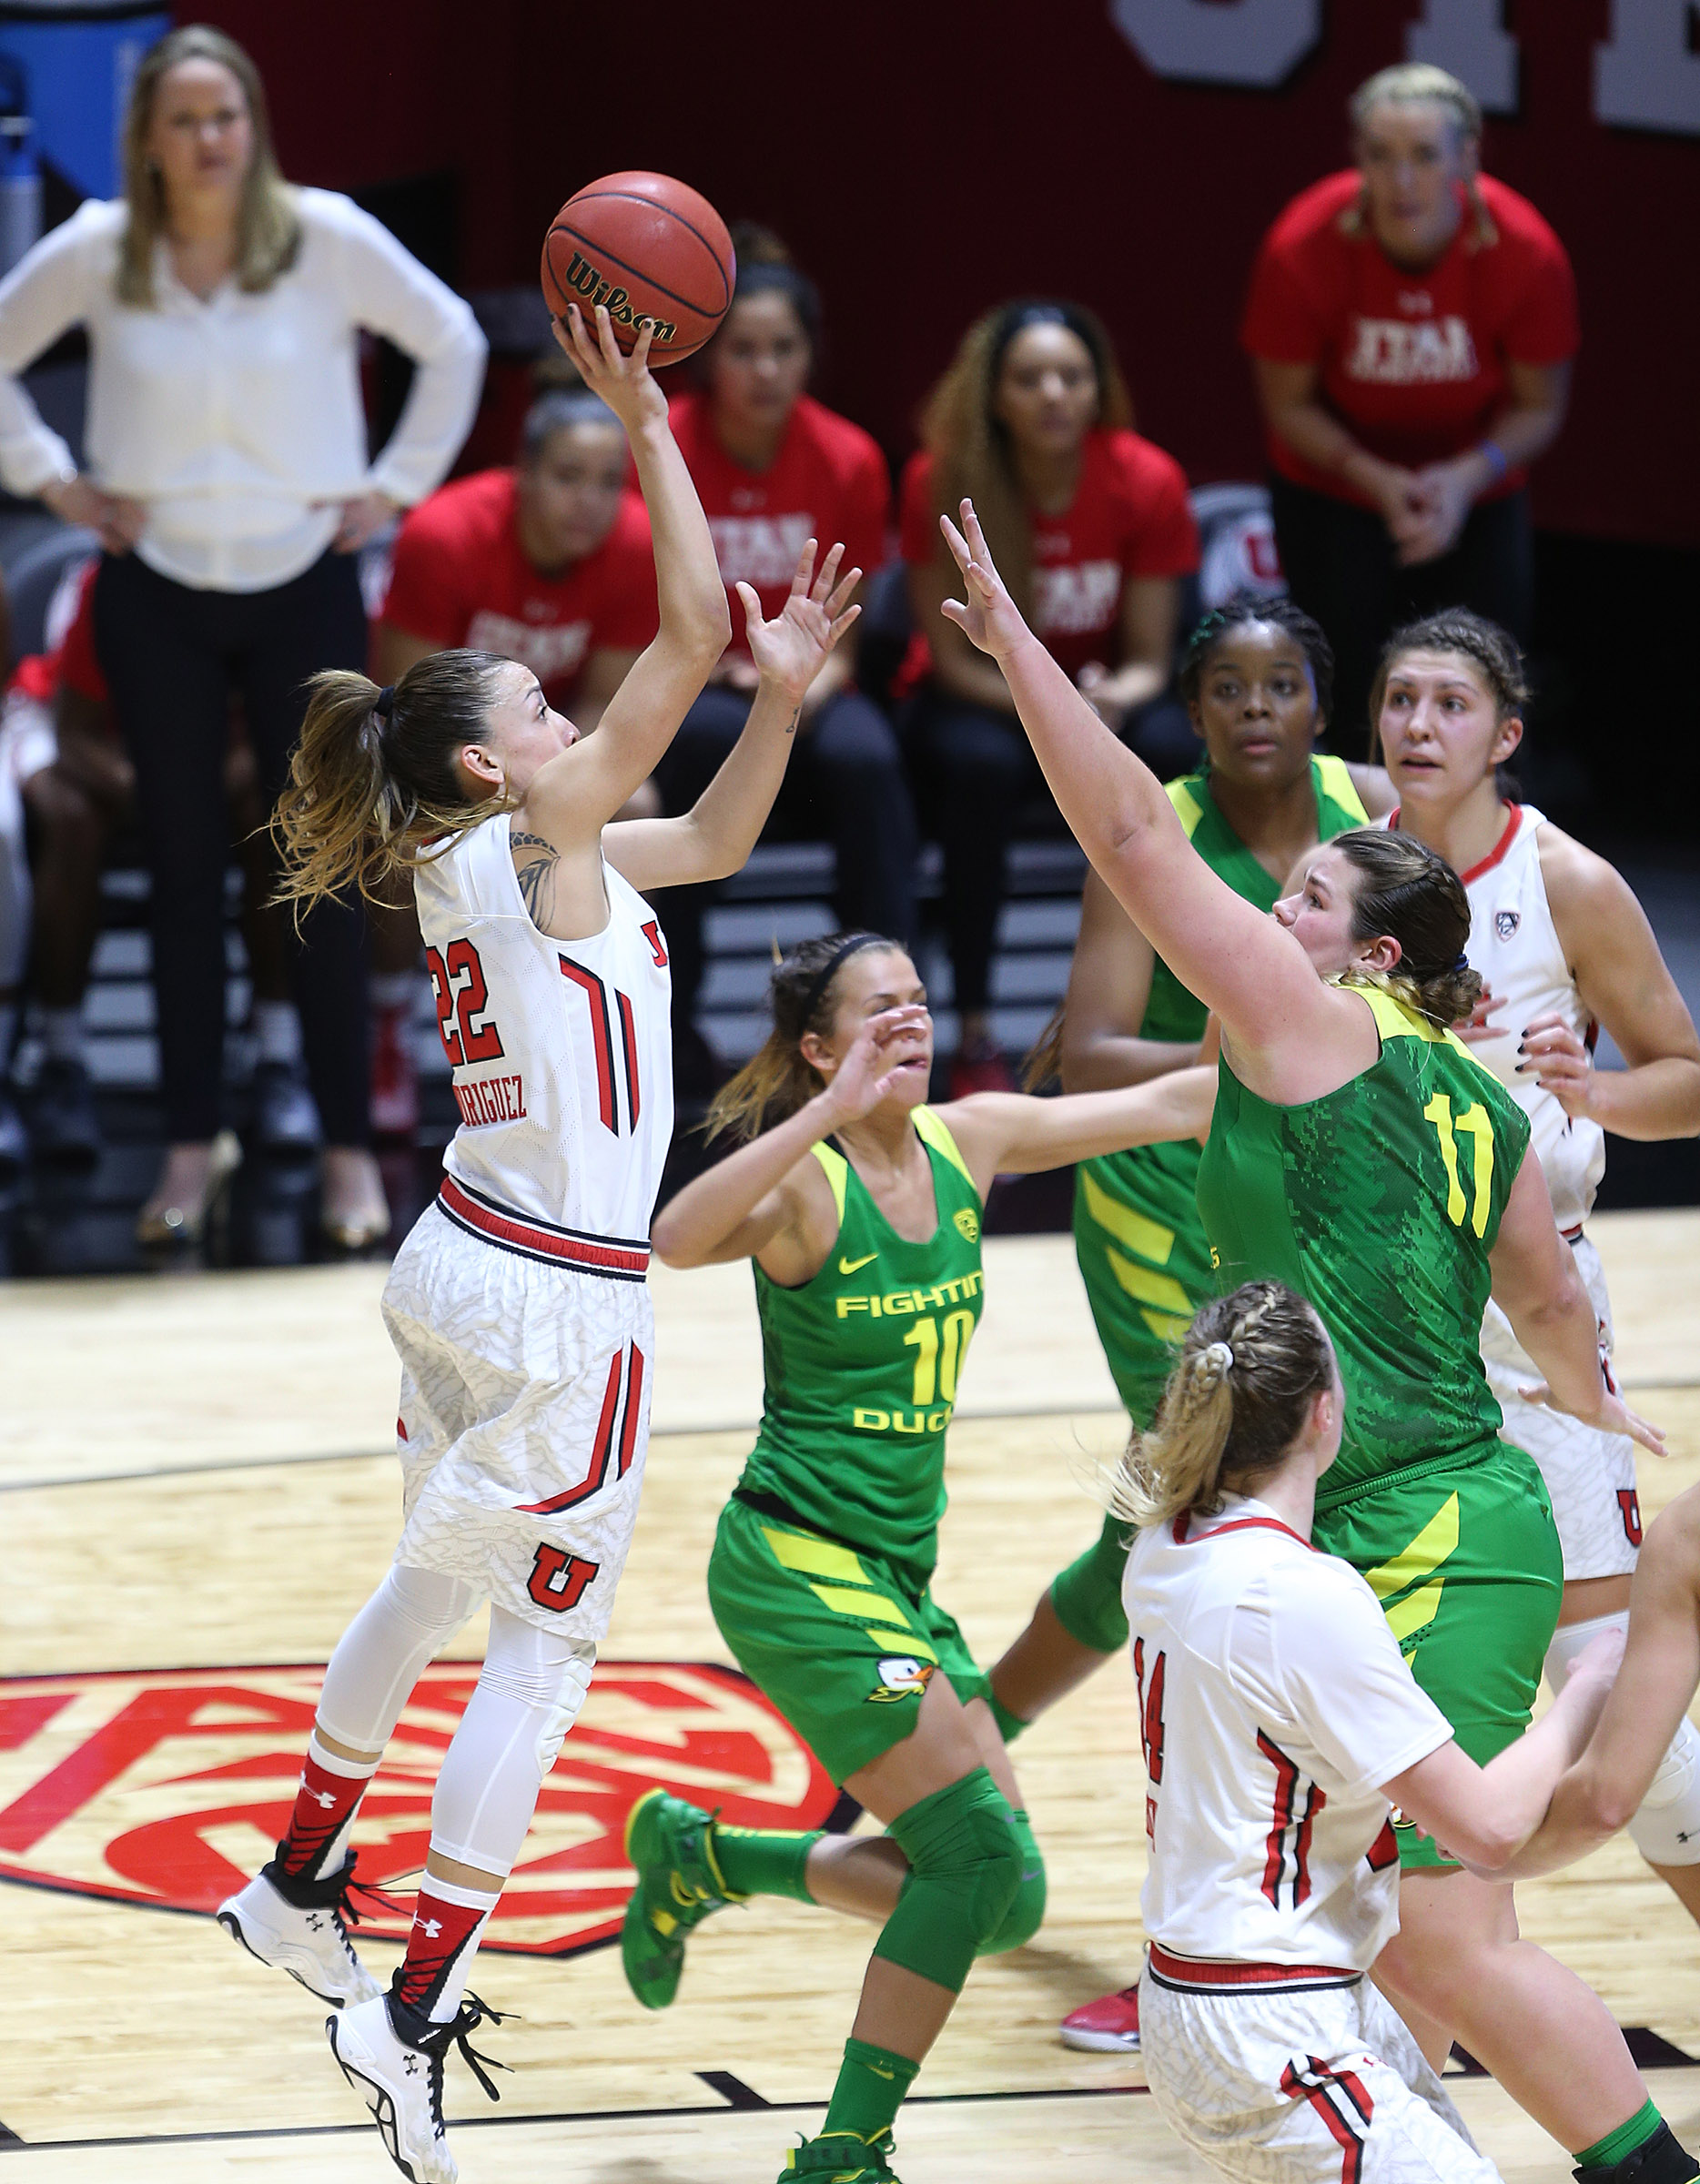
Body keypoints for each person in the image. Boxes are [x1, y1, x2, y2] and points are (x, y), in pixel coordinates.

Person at [935, 496, 1695, 2184]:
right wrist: (1595, 1406)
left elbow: (1134, 839)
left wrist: (1025, 653)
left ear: (1366, 954)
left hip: (1420, 1515)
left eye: (1296, 900)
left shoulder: (1307, 1022)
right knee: (1371, 1920)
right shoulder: (1459, 1097)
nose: (1259, 914)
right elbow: (1548, 1299)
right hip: (1395, 1499)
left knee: (1441, 1934)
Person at [215, 304, 859, 2184]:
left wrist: (790, 703)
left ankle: (294, 1877)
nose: (577, 727)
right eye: (546, 720)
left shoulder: (484, 853)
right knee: (542, 1658)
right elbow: (675, 636)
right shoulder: (543, 833)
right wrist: (649, 422)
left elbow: (724, 843)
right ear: (503, 770)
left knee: (428, 1595)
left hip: (458, 1264)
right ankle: (403, 2008)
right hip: (562, 1304)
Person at [629, 930, 1215, 2184]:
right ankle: (843, 2149)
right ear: (821, 1048)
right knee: (980, 1859)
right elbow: (675, 1238)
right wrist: (823, 1114)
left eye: (919, 1001)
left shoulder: (971, 1139)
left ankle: (708, 1858)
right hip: (796, 1565)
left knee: (1004, 1902)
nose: (910, 1023)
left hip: (894, 1578)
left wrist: (1329, 1024)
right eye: (877, 1011)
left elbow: (1173, 1099)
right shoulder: (804, 1185)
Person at [986, 593, 1395, 2056]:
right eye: (1227, 687)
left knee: (1146, 1537)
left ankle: (951, 1757)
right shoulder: (1150, 824)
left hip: (1322, 1214)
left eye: (1284, 683)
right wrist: (1244, 1040)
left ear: (1321, 704)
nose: (1257, 709)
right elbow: (1083, 1047)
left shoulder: (1376, 815)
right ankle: (1225, 1924)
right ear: (1200, 710)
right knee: (1201, 1539)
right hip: (1166, 1221)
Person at [0, 24, 488, 1248]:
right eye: (184, 121)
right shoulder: (102, 251)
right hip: (154, 587)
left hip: (303, 586)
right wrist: (58, 484)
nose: (209, 140)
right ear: (147, 141)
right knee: (177, 876)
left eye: (227, 118)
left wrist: (395, 485)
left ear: (253, 128)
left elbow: (454, 340)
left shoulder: (323, 237)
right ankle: (183, 1149)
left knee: (314, 865)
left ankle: (342, 1156)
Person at [1120, 1279, 1630, 2184]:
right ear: (1324, 1415)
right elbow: (1486, 1830)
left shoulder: (1165, 1543)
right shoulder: (1301, 1595)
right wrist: (1589, 1687)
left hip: (1210, 1998)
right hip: (1265, 2022)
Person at [1369, 608, 1700, 1920]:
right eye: (1399, 700)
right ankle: (1401, 1975)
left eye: (1449, 704)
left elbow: (1686, 1079)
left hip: (1536, 1309)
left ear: (1504, 735)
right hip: (1385, 1303)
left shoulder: (1564, 880)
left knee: (1613, 1674)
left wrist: (1600, 1094)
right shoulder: (1345, 878)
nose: (1418, 726)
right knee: (1389, 1665)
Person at [901, 298, 1199, 1095]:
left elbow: (1148, 659)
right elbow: (951, 663)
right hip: (983, 703)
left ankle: (1179, 1001)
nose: (1054, 394)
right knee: (977, 769)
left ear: (1099, 391)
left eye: (1072, 376)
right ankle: (970, 1030)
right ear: (995, 395)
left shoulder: (1147, 479)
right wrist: (1049, 705)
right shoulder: (944, 478)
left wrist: (1103, 701)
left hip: (1099, 703)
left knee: (1175, 749)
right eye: (1030, 379)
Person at [1240, 63, 1577, 749]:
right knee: (1344, 689)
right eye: (1379, 156)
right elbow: (1288, 406)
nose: (1401, 182)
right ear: (1356, 157)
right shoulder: (1303, 245)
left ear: (1466, 158)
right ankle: (1347, 846)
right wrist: (1379, 480)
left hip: (1476, 484)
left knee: (1484, 678)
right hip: (1335, 485)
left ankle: (1475, 845)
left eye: (1425, 156)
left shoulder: (1526, 252)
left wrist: (1460, 480)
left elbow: (1539, 406)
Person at [654, 247, 916, 1094]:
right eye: (742, 350)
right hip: (697, 687)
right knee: (695, 752)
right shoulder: (671, 447)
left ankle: (879, 1007)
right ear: (708, 356)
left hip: (815, 678)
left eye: (784, 349)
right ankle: (672, 1016)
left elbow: (858, 607)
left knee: (868, 759)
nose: (765, 370)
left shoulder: (849, 457)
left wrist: (807, 679)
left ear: (811, 354)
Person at [369, 384, 660, 1135]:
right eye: (568, 476)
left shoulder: (631, 543)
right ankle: (387, 1020)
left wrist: (553, 792)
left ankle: (609, 1003)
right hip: (445, 757)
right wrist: (503, 795)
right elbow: (412, 713)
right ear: (520, 475)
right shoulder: (443, 535)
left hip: (550, 743)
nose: (590, 501)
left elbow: (606, 705)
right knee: (402, 838)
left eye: (607, 482)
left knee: (642, 803)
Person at [1, 555, 319, 1165]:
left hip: (214, 758)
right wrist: (171, 794)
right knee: (69, 818)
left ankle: (278, 1057)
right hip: (89, 737)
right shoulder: (117, 582)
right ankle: (59, 1060)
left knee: (278, 809)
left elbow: (285, 736)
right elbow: (76, 730)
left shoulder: (283, 578)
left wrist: (200, 790)